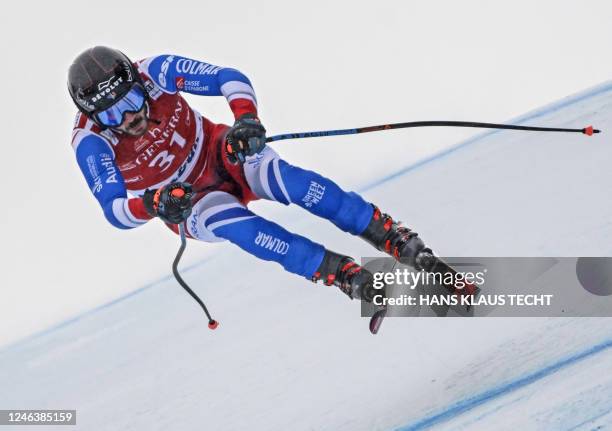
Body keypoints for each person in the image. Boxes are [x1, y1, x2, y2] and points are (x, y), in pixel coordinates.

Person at [68, 46, 430, 303]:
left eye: (131, 102)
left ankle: (385, 232)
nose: (129, 118)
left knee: (294, 183)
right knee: (243, 230)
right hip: (186, 202)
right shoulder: (90, 141)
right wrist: (154, 204)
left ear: (137, 83)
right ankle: (342, 274)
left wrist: (246, 119)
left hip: (220, 152)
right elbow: (114, 211)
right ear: (94, 117)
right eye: (112, 116)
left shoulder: (154, 71)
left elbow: (228, 78)